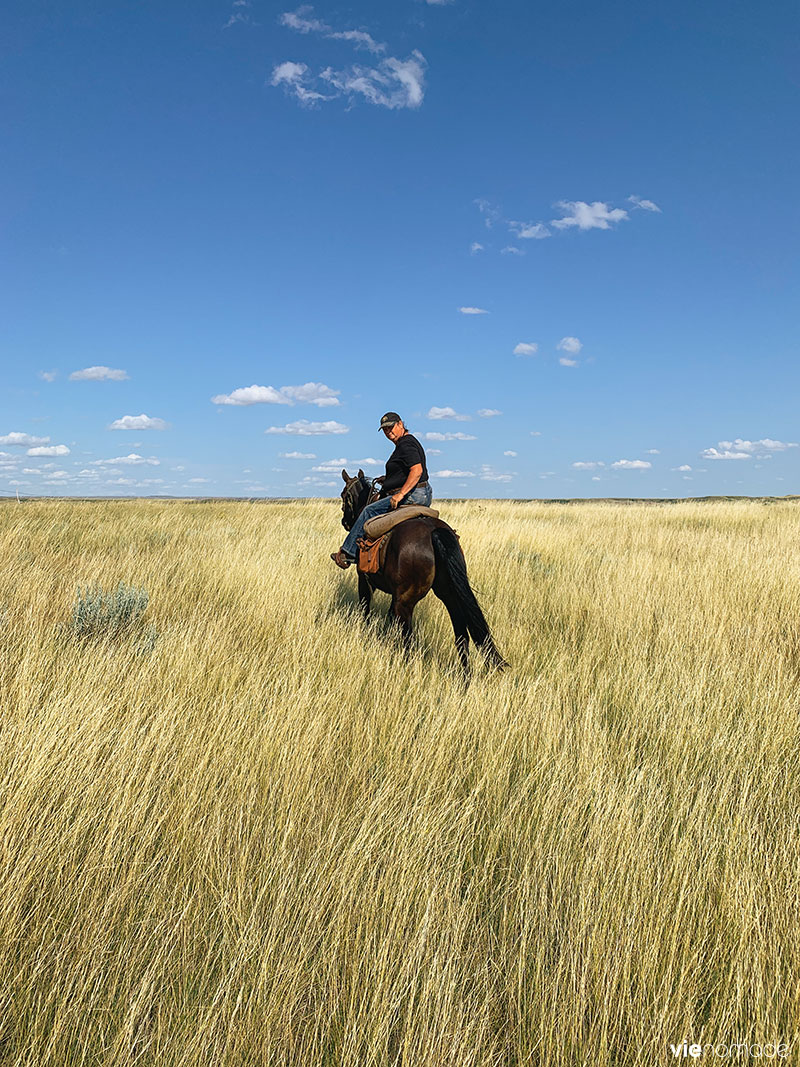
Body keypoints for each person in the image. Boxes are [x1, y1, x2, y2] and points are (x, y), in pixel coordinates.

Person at [331, 411, 432, 568]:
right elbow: (406, 470)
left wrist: (400, 495)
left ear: (400, 424)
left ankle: (347, 553)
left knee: (368, 511)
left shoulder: (406, 444)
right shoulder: (405, 444)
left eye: (391, 427)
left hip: (412, 495)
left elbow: (417, 470)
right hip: (422, 493)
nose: (388, 432)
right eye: (385, 430)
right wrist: (390, 478)